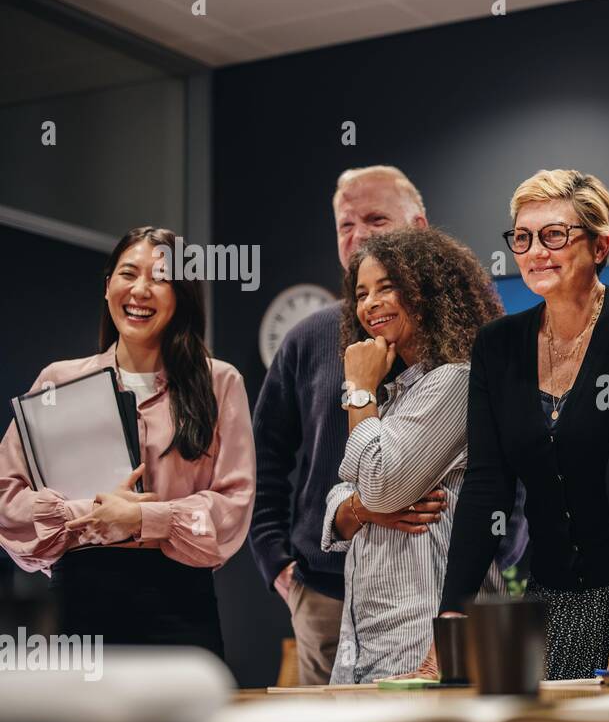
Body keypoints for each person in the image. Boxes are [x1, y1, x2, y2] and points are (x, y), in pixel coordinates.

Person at [422, 169, 609, 683]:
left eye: (554, 235)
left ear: (601, 245)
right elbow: (486, 486)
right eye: (522, 237)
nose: (535, 251)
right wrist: (450, 623)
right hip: (560, 595)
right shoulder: (497, 346)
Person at [0, 226, 255, 657]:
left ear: (181, 296)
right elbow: (8, 502)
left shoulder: (220, 382)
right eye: (128, 273)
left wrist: (143, 520)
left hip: (180, 608)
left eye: (159, 278)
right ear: (107, 287)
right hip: (81, 606)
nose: (140, 290)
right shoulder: (58, 382)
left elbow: (233, 506)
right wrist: (94, 514)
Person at [249, 166, 446, 683]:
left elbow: (507, 473)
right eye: (345, 225)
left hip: (432, 602)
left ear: (419, 227)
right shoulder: (307, 338)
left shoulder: (463, 347)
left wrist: (491, 566)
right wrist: (281, 569)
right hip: (324, 600)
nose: (357, 236)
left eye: (375, 219)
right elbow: (262, 460)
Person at [322, 226, 510, 683]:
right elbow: (339, 504)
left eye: (388, 287)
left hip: (423, 641)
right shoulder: (392, 397)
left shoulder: (454, 382)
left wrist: (358, 389)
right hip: (364, 642)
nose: (370, 304)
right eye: (362, 293)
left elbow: (380, 484)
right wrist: (361, 506)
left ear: (427, 291)